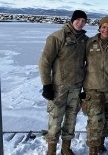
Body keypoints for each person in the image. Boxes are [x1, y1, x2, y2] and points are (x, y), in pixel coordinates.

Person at [39, 10, 88, 155]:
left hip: (76, 87)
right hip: (59, 87)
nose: (80, 23)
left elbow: (87, 64)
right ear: (72, 20)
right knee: (55, 119)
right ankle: (51, 149)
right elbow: (44, 62)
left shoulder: (84, 40)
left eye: (83, 21)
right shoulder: (57, 37)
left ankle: (66, 148)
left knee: (71, 119)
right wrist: (47, 84)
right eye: (78, 20)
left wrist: (85, 86)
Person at [81, 16, 108, 155]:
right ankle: (92, 150)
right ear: (99, 28)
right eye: (104, 27)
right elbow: (79, 62)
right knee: (95, 122)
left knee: (105, 119)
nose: (106, 30)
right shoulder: (89, 43)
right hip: (93, 89)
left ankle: (100, 144)